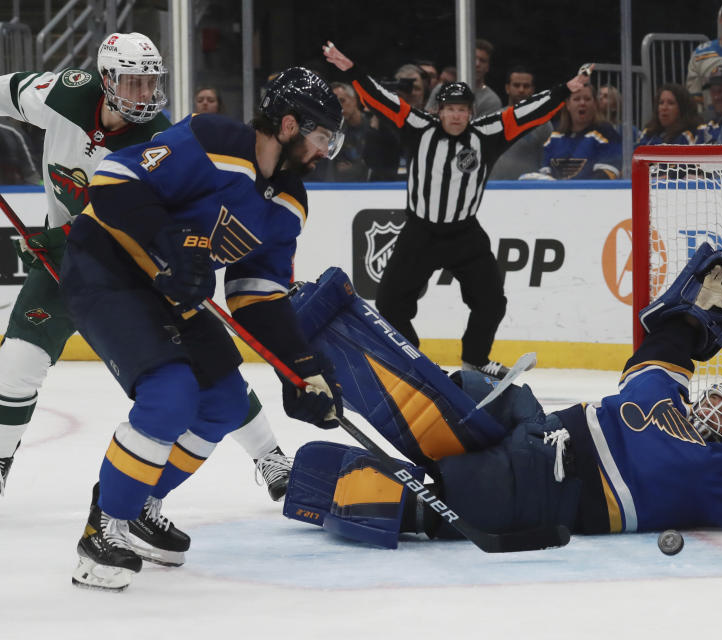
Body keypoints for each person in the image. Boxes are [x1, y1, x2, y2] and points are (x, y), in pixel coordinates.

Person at [283, 244, 722, 547]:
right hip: (528, 433)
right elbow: (664, 352)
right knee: (473, 394)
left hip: (547, 488)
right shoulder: (661, 399)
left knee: (401, 491)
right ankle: (322, 340)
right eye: (719, 397)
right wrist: (688, 319)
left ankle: (327, 475)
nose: (717, 408)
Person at [61, 65, 346, 591]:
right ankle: (103, 528)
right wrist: (170, 239)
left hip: (172, 292)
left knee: (223, 402)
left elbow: (256, 293)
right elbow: (113, 181)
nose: (325, 150)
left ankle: (142, 503)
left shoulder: (288, 204)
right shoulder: (214, 140)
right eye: (321, 135)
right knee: (169, 394)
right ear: (289, 125)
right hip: (107, 267)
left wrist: (302, 369)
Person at [0, 33, 296, 504]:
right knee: (16, 365)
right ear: (106, 79)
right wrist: (58, 244)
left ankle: (268, 453)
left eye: (150, 82)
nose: (144, 94)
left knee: (206, 366)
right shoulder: (63, 94)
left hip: (129, 270)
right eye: (133, 82)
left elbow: (143, 221)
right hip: (63, 269)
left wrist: (60, 240)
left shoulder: (160, 137)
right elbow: (6, 90)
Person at [323, 41, 590, 378]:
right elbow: (380, 98)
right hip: (420, 231)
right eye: (450, 109)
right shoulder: (417, 128)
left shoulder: (489, 133)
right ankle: (414, 363)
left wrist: (566, 89)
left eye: (463, 109)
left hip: (465, 234)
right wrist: (352, 71)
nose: (457, 115)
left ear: (471, 112)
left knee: (491, 301)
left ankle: (475, 359)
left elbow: (530, 112)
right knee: (391, 304)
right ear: (439, 111)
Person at [533, 84, 622, 180]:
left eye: (587, 99)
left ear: (595, 104)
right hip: (558, 194)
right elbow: (545, 172)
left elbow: (607, 173)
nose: (582, 103)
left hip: (591, 194)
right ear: (568, 105)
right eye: (576, 99)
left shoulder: (607, 133)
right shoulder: (555, 137)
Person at [488, 66, 554, 180]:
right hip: (495, 190)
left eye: (526, 86)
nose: (521, 90)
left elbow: (550, 161)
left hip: (529, 190)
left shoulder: (543, 124)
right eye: (516, 85)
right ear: (507, 88)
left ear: (533, 89)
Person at [426, 39, 503, 116]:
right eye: (473, 58)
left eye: (482, 61)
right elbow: (427, 119)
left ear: (488, 67)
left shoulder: (491, 100)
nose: (477, 64)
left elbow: (483, 127)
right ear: (464, 60)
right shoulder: (441, 89)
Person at [636, 84, 700, 146]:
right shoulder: (648, 135)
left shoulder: (687, 137)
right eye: (661, 103)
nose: (664, 108)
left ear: (682, 108)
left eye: (671, 103)